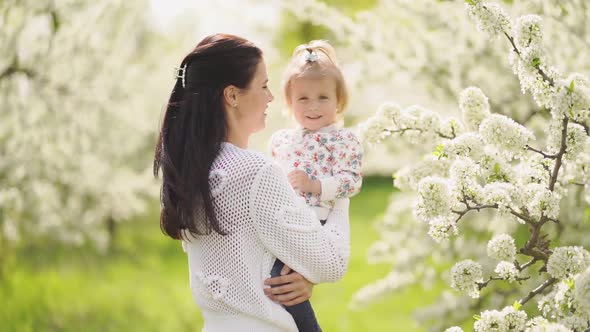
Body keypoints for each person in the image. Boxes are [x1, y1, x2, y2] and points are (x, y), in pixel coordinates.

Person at [153, 33, 350, 332]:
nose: (271, 96)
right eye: (263, 85)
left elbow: (247, 257)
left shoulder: (194, 170)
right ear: (232, 95)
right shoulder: (255, 171)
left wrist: (302, 278)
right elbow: (332, 262)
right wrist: (340, 189)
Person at [268, 40, 363, 332]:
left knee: (281, 280)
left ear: (339, 101)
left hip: (314, 224)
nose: (313, 106)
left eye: (323, 97)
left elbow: (352, 182)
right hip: (279, 220)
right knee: (273, 282)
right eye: (303, 98)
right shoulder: (281, 140)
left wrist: (316, 185)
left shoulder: (343, 140)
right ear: (289, 103)